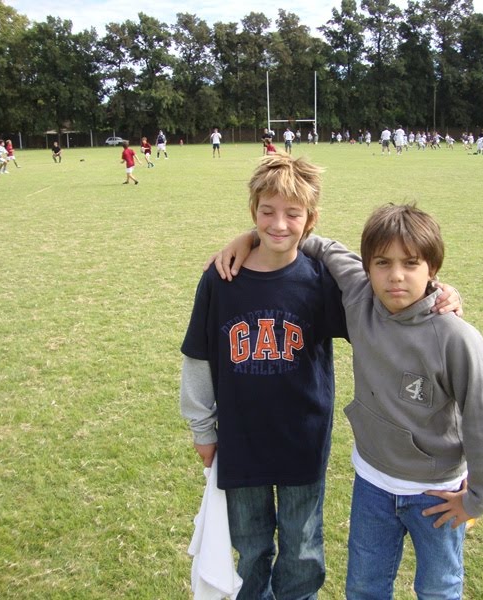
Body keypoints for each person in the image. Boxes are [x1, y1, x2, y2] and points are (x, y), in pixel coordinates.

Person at [213, 204, 483, 600]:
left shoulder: (455, 338)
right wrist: (251, 237)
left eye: (411, 263)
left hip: (437, 493)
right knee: (364, 587)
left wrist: (477, 500)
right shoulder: (359, 296)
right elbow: (318, 244)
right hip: (372, 485)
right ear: (367, 267)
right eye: (382, 263)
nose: (396, 276)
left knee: (438, 587)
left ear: (433, 269)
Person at [180, 153, 349, 600]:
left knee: (302, 548)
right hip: (241, 440)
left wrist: (438, 293)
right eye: (267, 212)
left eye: (293, 214)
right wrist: (202, 429)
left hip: (303, 438)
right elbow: (198, 357)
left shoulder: (321, 280)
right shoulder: (222, 278)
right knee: (251, 547)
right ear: (252, 211)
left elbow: (383, 315)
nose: (278, 224)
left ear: (310, 219)